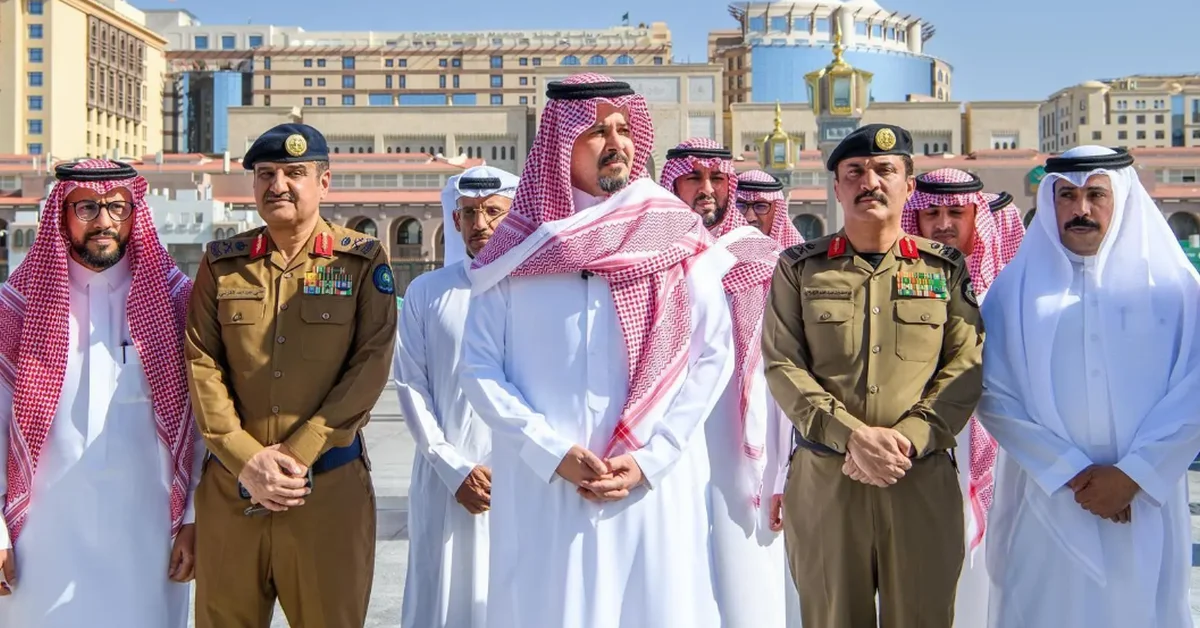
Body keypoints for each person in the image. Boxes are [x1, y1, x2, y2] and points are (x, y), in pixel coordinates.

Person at [459, 73, 735, 628]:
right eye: (596, 131)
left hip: (651, 484)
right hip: (545, 491)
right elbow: (479, 367)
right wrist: (548, 450)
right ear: (560, 144)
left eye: (624, 128)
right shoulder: (519, 249)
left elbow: (712, 356)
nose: (617, 144)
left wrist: (650, 458)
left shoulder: (675, 234)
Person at [762, 123, 985, 628]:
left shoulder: (942, 268)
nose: (871, 182)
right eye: (855, 172)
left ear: (908, 184)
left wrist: (905, 440)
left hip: (920, 477)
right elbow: (783, 365)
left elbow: (966, 366)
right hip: (827, 482)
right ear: (837, 187)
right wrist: (853, 437)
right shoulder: (800, 268)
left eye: (886, 170)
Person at [977, 146, 1200, 628]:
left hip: (1146, 499)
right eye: (1067, 196)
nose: (1081, 209)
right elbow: (992, 393)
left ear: (1119, 198)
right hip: (1049, 496)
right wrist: (1069, 471)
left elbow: (1195, 387)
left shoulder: (1176, 287)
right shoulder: (1013, 291)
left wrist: (1134, 475)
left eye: (1095, 194)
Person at [186, 123, 397, 627]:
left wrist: (298, 453)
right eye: (266, 173)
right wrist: (247, 460)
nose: (278, 184)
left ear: (323, 183)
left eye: (294, 172)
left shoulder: (360, 262)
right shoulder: (222, 265)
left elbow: (371, 363)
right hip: (233, 492)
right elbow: (201, 363)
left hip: (327, 491)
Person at [0, 159, 202, 627]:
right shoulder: (17, 308)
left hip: (148, 534)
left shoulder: (175, 303)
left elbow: (199, 426)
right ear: (60, 214)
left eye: (117, 206)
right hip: (40, 536)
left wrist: (193, 517)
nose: (105, 221)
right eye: (87, 207)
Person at [660, 138, 795, 628]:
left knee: (747, 583)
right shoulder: (652, 257)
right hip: (668, 437)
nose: (706, 191)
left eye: (717, 179)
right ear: (671, 183)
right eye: (693, 179)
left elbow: (785, 373)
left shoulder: (765, 259)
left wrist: (783, 469)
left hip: (743, 442)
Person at [899, 167, 1025, 628]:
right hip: (922, 449)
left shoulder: (1006, 292)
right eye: (931, 212)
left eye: (957, 211)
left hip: (1000, 447)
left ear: (978, 217)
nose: (944, 223)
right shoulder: (904, 284)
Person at [394, 165, 518, 628]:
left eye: (492, 211)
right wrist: (454, 467)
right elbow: (410, 386)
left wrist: (505, 466)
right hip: (442, 479)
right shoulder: (427, 292)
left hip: (519, 478)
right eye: (468, 213)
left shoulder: (535, 288)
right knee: (439, 603)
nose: (479, 223)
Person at [735, 169, 804, 248]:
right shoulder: (719, 251)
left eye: (760, 207)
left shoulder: (796, 257)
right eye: (740, 206)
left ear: (777, 213)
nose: (750, 218)